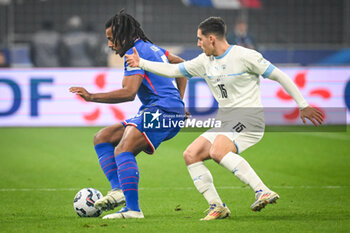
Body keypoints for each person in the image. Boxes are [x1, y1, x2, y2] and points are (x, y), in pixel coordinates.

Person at [126, 16, 324, 220]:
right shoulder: (204, 62)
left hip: (250, 119)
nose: (198, 44)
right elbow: (173, 70)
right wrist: (141, 62)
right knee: (191, 154)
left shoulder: (245, 56)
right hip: (228, 122)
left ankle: (262, 190)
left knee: (218, 149)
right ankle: (217, 207)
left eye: (200, 39)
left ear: (211, 39)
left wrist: (303, 105)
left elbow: (279, 75)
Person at [69, 10, 187, 219]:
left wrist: (91, 96)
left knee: (124, 148)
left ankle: (133, 209)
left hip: (162, 111)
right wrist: (179, 101)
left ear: (123, 35)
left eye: (111, 39)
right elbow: (180, 65)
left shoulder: (135, 53)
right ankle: (118, 191)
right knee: (103, 138)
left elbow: (129, 93)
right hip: (162, 109)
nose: (109, 44)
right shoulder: (152, 48)